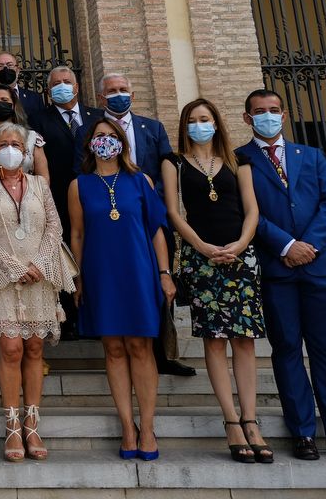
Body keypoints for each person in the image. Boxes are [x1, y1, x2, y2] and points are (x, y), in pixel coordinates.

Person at [238, 89, 326, 463]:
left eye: (274, 110)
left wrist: (308, 245)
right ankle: (302, 433)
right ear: (247, 118)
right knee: (286, 351)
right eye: (259, 111)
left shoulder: (311, 156)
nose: (268, 116)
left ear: (284, 115)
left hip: (319, 266)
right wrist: (285, 246)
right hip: (277, 269)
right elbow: (248, 213)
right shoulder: (240, 160)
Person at [161, 98, 270, 464]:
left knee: (244, 340)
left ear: (216, 123)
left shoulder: (240, 160)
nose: (199, 125)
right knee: (214, 341)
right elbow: (174, 213)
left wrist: (241, 244)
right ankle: (231, 421)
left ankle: (251, 419)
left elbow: (252, 208)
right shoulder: (173, 162)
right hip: (202, 257)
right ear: (184, 126)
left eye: (205, 119)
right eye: (192, 120)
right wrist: (203, 247)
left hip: (241, 257)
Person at [70, 117, 175, 462]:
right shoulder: (79, 185)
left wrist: (164, 273)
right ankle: (127, 426)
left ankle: (147, 427)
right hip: (101, 273)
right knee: (113, 347)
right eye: (98, 136)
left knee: (140, 346)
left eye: (110, 136)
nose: (104, 141)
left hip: (139, 270)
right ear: (89, 144)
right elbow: (78, 235)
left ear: (121, 142)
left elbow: (157, 229)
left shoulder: (140, 180)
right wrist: (78, 277)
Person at [0, 123, 75, 461]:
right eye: (4, 143)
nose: (10, 147)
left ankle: (32, 422)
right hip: (1, 277)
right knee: (11, 347)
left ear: (26, 151)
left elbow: (55, 225)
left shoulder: (40, 184)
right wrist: (14, 267)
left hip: (39, 276)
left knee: (33, 346)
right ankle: (12, 424)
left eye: (16, 143)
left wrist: (40, 264)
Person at [79, 73, 194, 377]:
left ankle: (165, 355)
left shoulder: (151, 127)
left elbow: (166, 164)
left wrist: (160, 205)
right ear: (101, 97)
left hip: (145, 215)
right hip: (104, 222)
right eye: (112, 91)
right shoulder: (87, 131)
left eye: (123, 90)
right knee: (117, 336)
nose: (119, 94)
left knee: (157, 293)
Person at [34, 66, 100, 338]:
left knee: (93, 253)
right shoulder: (38, 120)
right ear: (49, 90)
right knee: (62, 257)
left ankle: (96, 314)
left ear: (76, 87)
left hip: (96, 197)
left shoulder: (97, 117)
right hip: (58, 198)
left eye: (66, 81)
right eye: (56, 83)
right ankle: (69, 319)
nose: (61, 85)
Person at [0, 52, 45, 131]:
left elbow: (41, 126)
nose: (5, 68)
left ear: (18, 70)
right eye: (0, 66)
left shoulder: (35, 98)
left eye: (10, 65)